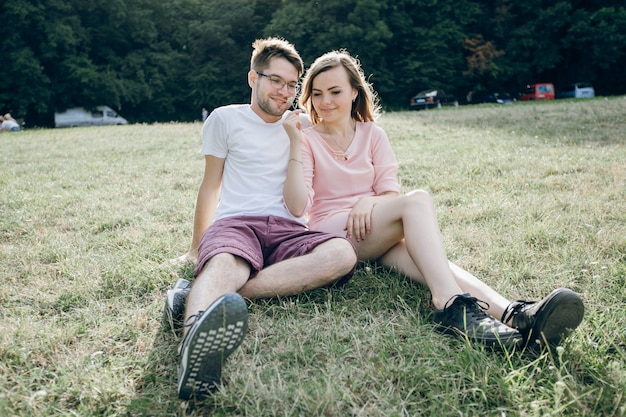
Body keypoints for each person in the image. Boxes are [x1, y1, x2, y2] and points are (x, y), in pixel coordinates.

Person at [282, 50, 584, 351]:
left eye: (335, 91)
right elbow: (301, 206)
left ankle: (515, 316)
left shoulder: (373, 134)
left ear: (354, 92)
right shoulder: (307, 137)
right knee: (417, 202)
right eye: (317, 93)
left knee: (432, 262)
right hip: (334, 232)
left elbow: (388, 191)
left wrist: (367, 201)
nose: (326, 101)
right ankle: (449, 304)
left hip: (373, 230)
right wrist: (297, 136)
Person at [167, 39, 357, 402]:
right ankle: (192, 349)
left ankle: (199, 295)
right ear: (253, 77)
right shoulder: (225, 118)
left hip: (289, 229)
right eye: (276, 81)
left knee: (342, 256)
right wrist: (195, 248)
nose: (285, 91)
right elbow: (210, 187)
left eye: (292, 84)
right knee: (226, 263)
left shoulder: (302, 127)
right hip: (237, 224)